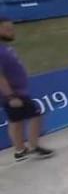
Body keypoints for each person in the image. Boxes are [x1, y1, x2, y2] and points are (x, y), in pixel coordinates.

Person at [0, 17, 54, 161]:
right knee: (36, 115)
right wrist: (11, 97)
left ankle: (20, 151)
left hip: (15, 92)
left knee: (15, 121)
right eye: (8, 29)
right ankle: (34, 147)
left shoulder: (4, 47)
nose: (12, 32)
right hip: (14, 93)